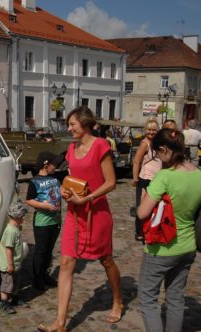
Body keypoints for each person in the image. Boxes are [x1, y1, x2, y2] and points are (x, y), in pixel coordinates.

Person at [38, 106, 123, 332]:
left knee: (106, 260)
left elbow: (111, 182)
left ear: (84, 124)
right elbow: (72, 178)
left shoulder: (100, 145)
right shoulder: (72, 148)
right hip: (75, 214)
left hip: (97, 213)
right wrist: (67, 191)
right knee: (66, 263)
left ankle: (118, 299)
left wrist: (87, 198)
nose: (69, 128)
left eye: (72, 124)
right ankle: (60, 323)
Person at [137, 128, 201, 332]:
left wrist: (144, 199)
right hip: (187, 246)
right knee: (175, 299)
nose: (157, 157)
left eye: (157, 153)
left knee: (147, 299)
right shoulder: (198, 174)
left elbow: (142, 213)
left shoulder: (165, 177)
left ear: (164, 149)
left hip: (161, 248)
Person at [26, 151, 63, 291]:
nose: (56, 166)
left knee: (49, 250)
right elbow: (29, 200)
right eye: (54, 164)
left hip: (56, 221)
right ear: (46, 165)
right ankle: (37, 278)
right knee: (40, 250)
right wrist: (44, 205)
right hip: (42, 222)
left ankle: (45, 274)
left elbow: (61, 191)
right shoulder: (34, 181)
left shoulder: (56, 178)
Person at [132, 118, 161, 241]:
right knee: (142, 205)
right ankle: (139, 231)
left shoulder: (158, 142)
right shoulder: (145, 143)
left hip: (156, 178)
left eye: (154, 130)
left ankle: (150, 229)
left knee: (154, 206)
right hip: (145, 178)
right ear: (145, 130)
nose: (151, 132)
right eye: (149, 129)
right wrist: (135, 178)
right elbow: (137, 161)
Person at [0, 200, 28, 314]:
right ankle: (4, 303)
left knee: (16, 282)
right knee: (7, 284)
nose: (24, 219)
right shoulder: (10, 231)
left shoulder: (15, 229)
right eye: (22, 216)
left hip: (15, 263)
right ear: (17, 217)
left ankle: (15, 299)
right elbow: (8, 249)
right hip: (8, 265)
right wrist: (10, 264)